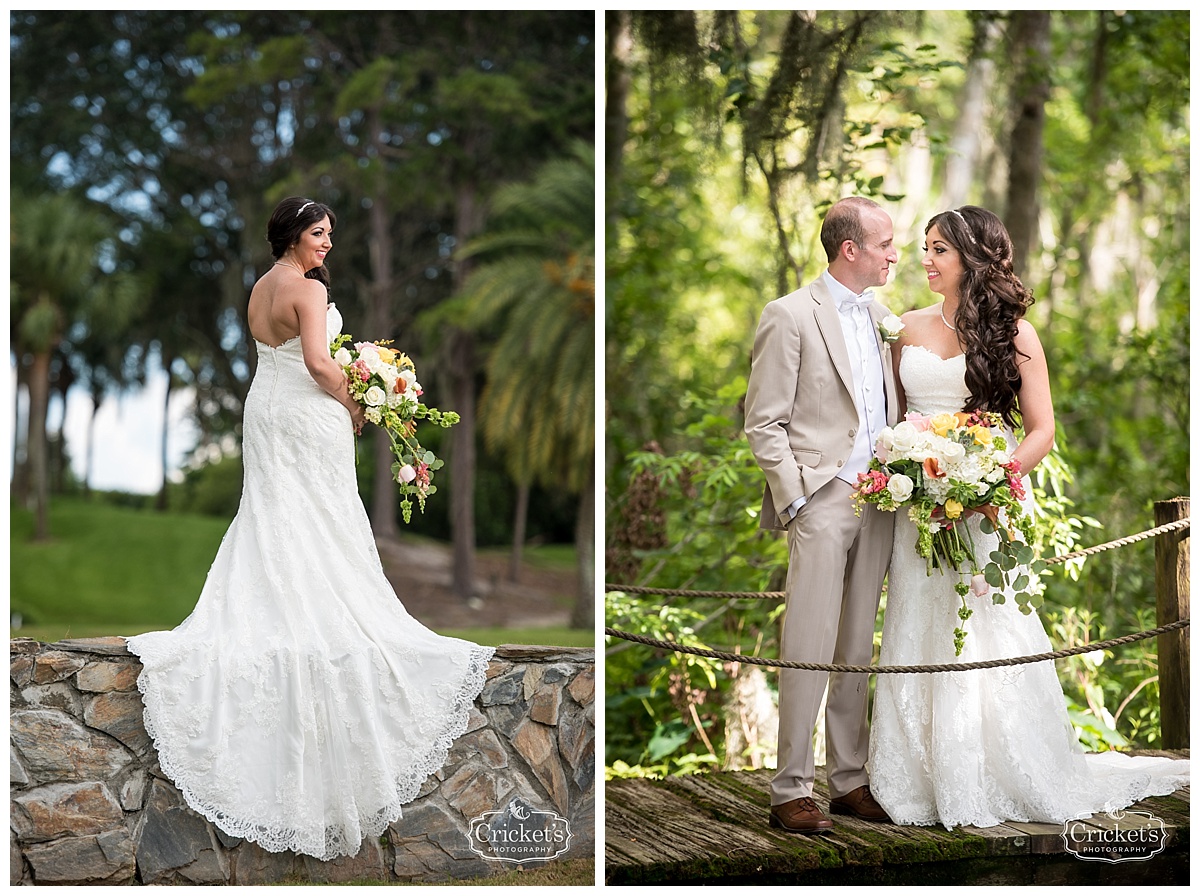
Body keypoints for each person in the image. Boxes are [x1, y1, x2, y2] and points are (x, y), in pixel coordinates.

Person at [126, 196, 496, 861]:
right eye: (320, 233)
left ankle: (283, 604)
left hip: (263, 409)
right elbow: (322, 365)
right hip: (306, 411)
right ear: (294, 236)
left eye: (331, 234)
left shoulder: (262, 287)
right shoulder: (302, 288)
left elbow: (284, 355)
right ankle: (323, 613)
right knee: (320, 515)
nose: (328, 242)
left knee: (272, 513)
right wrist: (359, 404)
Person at [868, 205, 1189, 829]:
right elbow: (892, 420)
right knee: (915, 623)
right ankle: (914, 777)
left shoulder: (1014, 334)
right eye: (924, 248)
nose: (925, 261)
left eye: (938, 250)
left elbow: (1042, 430)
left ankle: (989, 769)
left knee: (987, 629)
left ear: (971, 257)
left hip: (984, 507)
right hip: (918, 515)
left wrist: (994, 479)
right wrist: (903, 475)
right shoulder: (904, 328)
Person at [744, 196, 901, 834]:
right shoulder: (789, 316)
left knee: (857, 642)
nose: (896, 254)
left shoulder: (884, 316)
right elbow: (763, 423)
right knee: (807, 642)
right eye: (886, 244)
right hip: (823, 497)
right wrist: (801, 495)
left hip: (882, 499)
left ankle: (848, 780)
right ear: (850, 250)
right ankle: (789, 789)